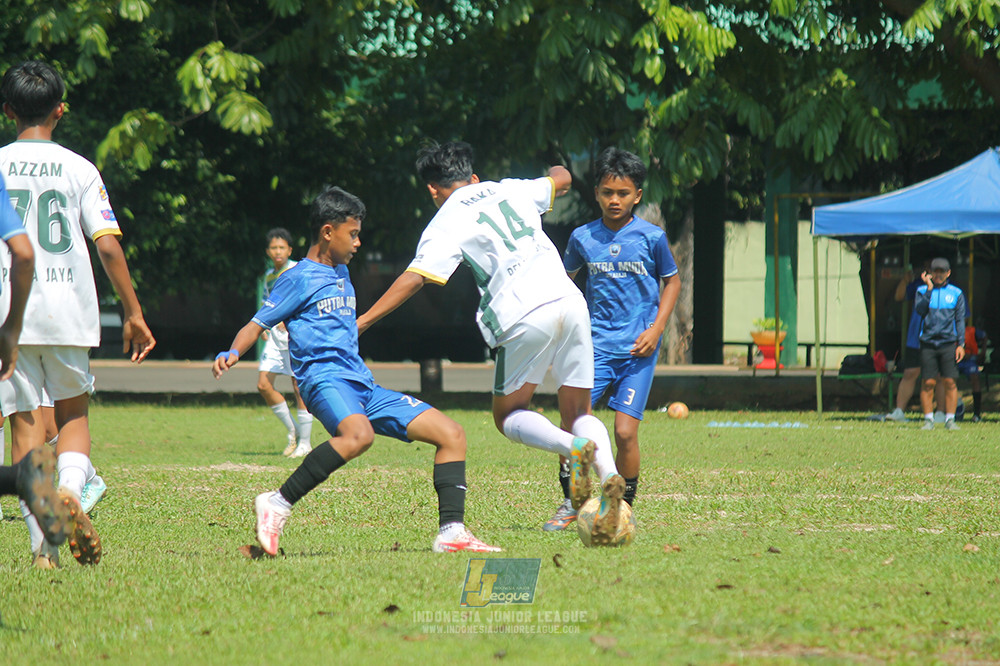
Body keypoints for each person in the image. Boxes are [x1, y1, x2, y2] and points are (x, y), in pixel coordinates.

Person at [356, 141, 627, 545]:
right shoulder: (510, 189)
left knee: (508, 414)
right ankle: (609, 474)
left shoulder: (445, 220)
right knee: (578, 409)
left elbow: (417, 277)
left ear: (432, 189)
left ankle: (574, 447)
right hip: (570, 301)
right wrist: (556, 173)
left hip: (522, 312)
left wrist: (363, 321)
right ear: (473, 177)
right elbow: (562, 179)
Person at [213, 186, 499, 554]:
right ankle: (277, 503)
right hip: (323, 380)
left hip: (362, 384)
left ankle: (452, 533)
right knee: (358, 436)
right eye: (353, 234)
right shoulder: (297, 278)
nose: (358, 242)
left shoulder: (342, 271)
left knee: (452, 434)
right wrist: (234, 351)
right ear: (327, 232)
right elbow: (256, 324)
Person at [0, 60, 156, 568]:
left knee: (24, 427)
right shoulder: (80, 168)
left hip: (9, 314)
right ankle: (71, 488)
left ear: (8, 111)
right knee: (71, 417)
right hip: (68, 310)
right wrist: (132, 311)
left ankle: (43, 550)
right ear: (60, 111)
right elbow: (107, 245)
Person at [541, 147, 680, 531]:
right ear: (597, 194)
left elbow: (672, 282)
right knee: (573, 428)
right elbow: (563, 284)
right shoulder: (583, 237)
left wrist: (656, 329)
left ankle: (622, 507)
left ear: (637, 195)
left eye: (623, 193)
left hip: (638, 350)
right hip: (593, 348)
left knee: (624, 432)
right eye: (607, 192)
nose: (614, 200)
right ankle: (573, 503)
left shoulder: (652, 237)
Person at [256, 227, 313, 457]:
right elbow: (267, 302)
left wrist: (289, 319)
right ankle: (294, 430)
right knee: (263, 384)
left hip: (295, 335)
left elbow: (307, 298)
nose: (277, 251)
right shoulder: (269, 275)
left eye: (282, 247)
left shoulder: (297, 270)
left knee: (298, 387)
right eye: (273, 248)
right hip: (275, 337)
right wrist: (263, 324)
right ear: (268, 251)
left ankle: (305, 443)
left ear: (289, 250)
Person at [915, 257, 965, 430]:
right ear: (930, 273)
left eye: (941, 272)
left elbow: (960, 320)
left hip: (948, 343)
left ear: (948, 273)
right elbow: (920, 310)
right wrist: (929, 289)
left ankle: (950, 419)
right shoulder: (922, 291)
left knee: (950, 381)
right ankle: (928, 419)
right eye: (935, 272)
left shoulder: (956, 293)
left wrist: (961, 344)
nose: (938, 275)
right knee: (928, 382)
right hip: (928, 342)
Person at [957, 318, 986, 422]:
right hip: (954, 360)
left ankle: (976, 414)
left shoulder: (971, 330)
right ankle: (946, 413)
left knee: (975, 377)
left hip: (970, 361)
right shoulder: (950, 329)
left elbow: (984, 336)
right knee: (947, 379)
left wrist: (983, 353)